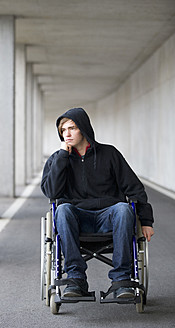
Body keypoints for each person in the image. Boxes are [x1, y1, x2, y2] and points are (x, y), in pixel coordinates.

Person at [41, 107, 154, 298]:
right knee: (63, 210)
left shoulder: (109, 154)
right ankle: (76, 279)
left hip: (108, 217)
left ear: (83, 128)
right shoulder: (57, 159)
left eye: (72, 128)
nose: (66, 134)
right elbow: (52, 192)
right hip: (77, 219)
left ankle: (121, 280)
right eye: (63, 130)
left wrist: (146, 220)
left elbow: (134, 188)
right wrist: (62, 157)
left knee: (123, 209)